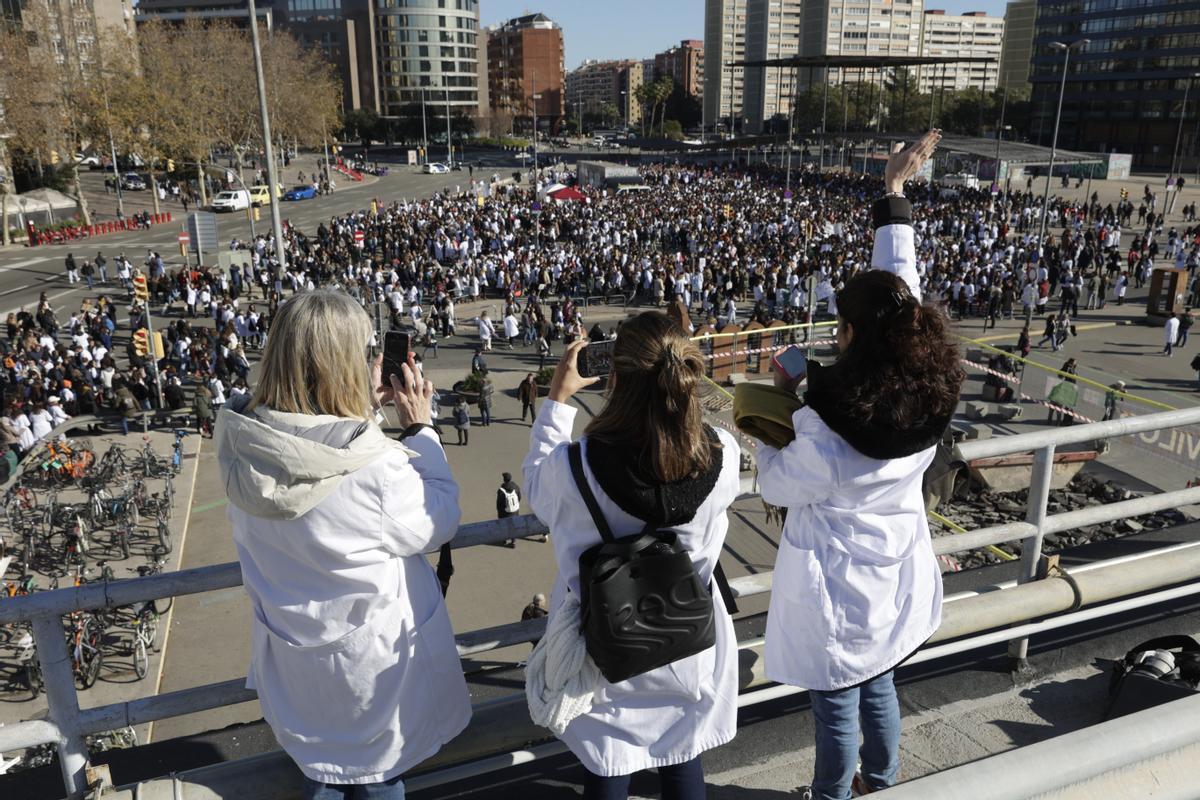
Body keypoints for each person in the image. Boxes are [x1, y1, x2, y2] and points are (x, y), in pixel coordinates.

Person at [756, 131, 963, 800]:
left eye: (843, 327)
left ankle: (831, 796)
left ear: (854, 336)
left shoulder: (824, 433)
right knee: (883, 688)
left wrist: (772, 402)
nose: (836, 334)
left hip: (841, 595)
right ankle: (886, 784)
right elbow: (900, 296)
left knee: (838, 706)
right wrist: (893, 196)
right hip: (896, 571)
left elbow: (771, 479)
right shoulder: (926, 383)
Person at [215, 289, 470, 800]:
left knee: (320, 776)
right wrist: (419, 428)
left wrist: (356, 410)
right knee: (378, 781)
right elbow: (438, 518)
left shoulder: (242, 444)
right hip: (367, 676)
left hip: (292, 661)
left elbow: (308, 444)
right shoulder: (372, 467)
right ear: (346, 365)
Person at [523, 315, 742, 800]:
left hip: (606, 645)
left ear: (615, 380)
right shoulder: (722, 454)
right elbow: (687, 441)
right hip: (687, 636)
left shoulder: (575, 467)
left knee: (609, 760)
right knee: (683, 753)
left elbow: (536, 486)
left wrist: (558, 400)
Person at [496, 471, 522, 548]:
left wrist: (499, 512)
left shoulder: (501, 490)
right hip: (515, 510)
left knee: (504, 525)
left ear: (504, 479)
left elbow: (499, 503)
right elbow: (519, 497)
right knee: (513, 525)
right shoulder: (516, 487)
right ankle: (513, 541)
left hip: (505, 512)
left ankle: (504, 539)